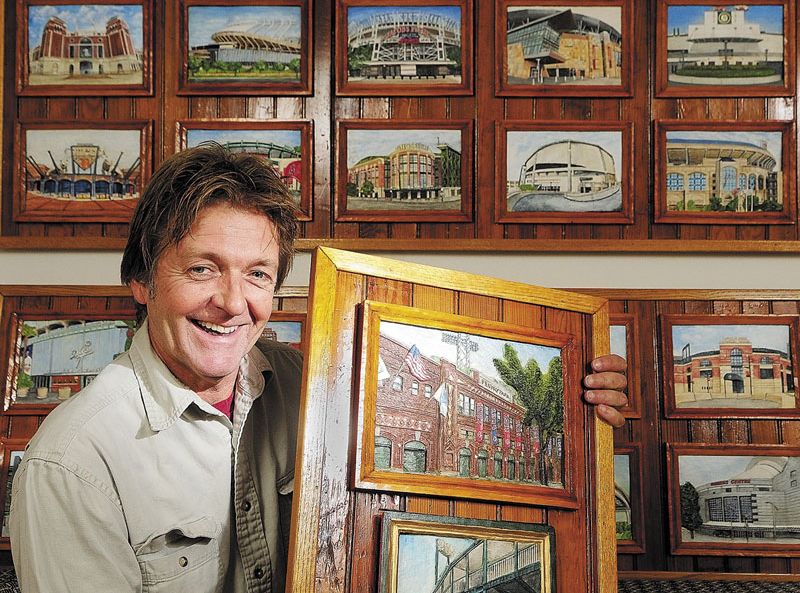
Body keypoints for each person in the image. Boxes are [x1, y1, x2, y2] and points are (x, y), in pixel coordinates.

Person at [9, 143, 628, 592]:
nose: (231, 302)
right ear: (141, 280)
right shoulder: (74, 462)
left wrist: (579, 407)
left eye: (256, 274)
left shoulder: (324, 385)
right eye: (201, 268)